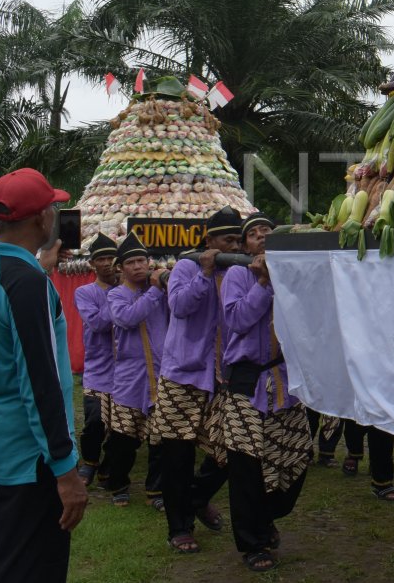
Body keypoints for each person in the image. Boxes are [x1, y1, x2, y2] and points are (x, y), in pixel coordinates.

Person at [0, 168, 87, 582]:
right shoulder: (26, 283)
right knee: (26, 566)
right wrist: (65, 469)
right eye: (52, 207)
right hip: (27, 455)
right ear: (42, 219)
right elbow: (40, 381)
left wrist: (38, 268)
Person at [219, 212, 312, 573]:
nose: (260, 237)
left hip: (285, 379)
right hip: (245, 380)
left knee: (298, 453)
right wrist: (263, 283)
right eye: (253, 234)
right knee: (246, 464)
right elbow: (238, 320)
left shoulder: (293, 275)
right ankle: (252, 543)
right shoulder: (237, 275)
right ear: (245, 246)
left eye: (267, 231)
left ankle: (267, 515)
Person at [150, 206, 243, 553]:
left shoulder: (238, 272)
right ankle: (180, 527)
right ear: (209, 240)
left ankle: (197, 497)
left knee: (228, 449)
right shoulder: (187, 267)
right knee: (178, 454)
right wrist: (204, 275)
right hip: (182, 374)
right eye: (226, 239)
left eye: (237, 239)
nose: (233, 245)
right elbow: (179, 306)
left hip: (222, 375)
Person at [105, 232, 169, 508]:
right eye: (130, 263)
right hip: (130, 378)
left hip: (161, 374)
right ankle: (119, 484)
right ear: (121, 268)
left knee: (160, 439)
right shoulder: (116, 295)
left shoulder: (161, 292)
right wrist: (155, 291)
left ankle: (156, 491)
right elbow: (127, 318)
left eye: (142, 260)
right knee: (123, 438)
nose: (137, 266)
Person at [74, 233, 119, 487]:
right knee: (94, 421)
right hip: (98, 368)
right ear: (92, 264)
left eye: (111, 257)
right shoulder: (85, 292)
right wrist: (118, 294)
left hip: (125, 369)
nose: (106, 263)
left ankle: (109, 470)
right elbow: (99, 323)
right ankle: (89, 462)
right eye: (101, 259)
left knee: (121, 427)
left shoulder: (129, 289)